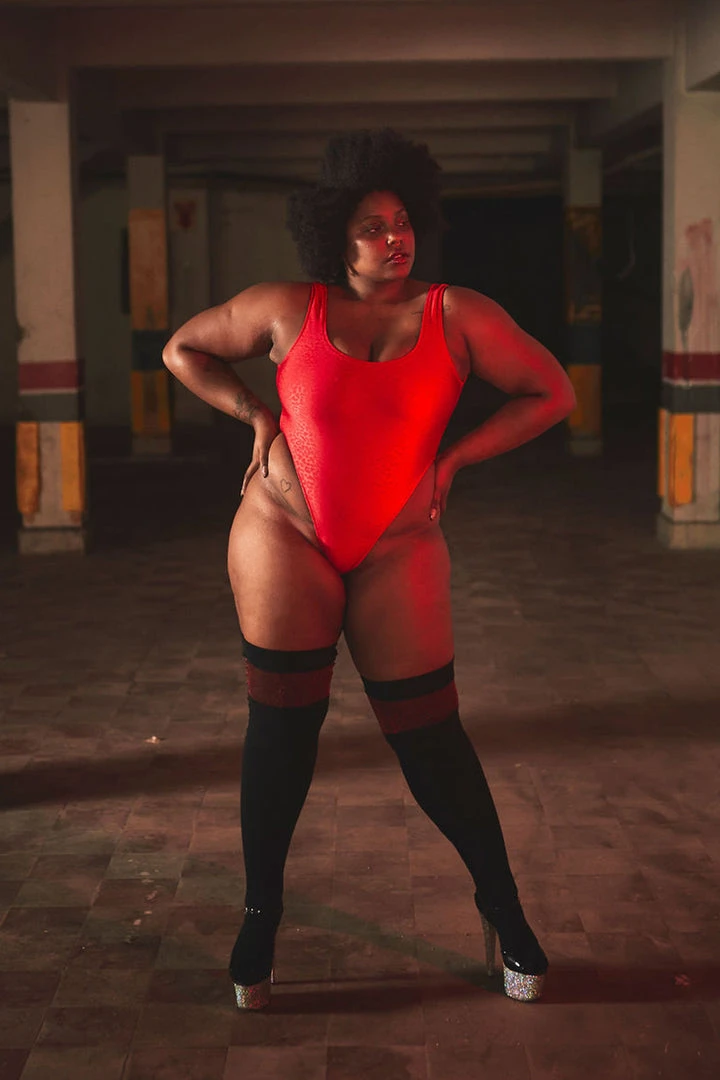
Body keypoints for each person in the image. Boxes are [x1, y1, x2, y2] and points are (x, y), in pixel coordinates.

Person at [162, 129, 576, 1010]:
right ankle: (261, 915)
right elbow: (183, 348)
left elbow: (553, 391)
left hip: (398, 545)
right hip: (284, 533)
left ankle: (503, 908)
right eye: (371, 227)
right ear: (332, 238)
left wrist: (456, 459)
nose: (395, 239)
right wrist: (254, 412)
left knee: (431, 740)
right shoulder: (288, 306)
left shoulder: (457, 314)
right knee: (282, 735)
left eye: (403, 222)